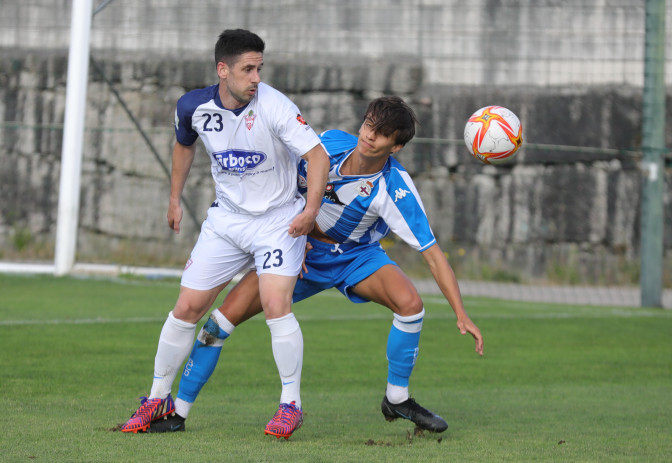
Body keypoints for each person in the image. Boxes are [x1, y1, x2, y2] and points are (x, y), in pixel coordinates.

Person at [146, 96, 484, 436]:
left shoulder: (395, 188)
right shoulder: (330, 143)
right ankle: (178, 412)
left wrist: (461, 313)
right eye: (369, 125)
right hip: (300, 250)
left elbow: (433, 255)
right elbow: (279, 178)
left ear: (394, 146)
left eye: (381, 134)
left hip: (356, 257)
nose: (369, 136)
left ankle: (397, 398)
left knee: (411, 305)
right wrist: (288, 234)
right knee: (219, 323)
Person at [120, 29, 330, 439]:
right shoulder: (192, 107)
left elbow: (317, 155)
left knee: (274, 303)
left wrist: (311, 210)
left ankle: (291, 404)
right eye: (247, 69)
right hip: (228, 221)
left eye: (259, 68)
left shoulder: (275, 106)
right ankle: (157, 397)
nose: (256, 77)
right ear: (223, 70)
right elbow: (184, 144)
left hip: (278, 220)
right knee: (187, 308)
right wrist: (175, 198)